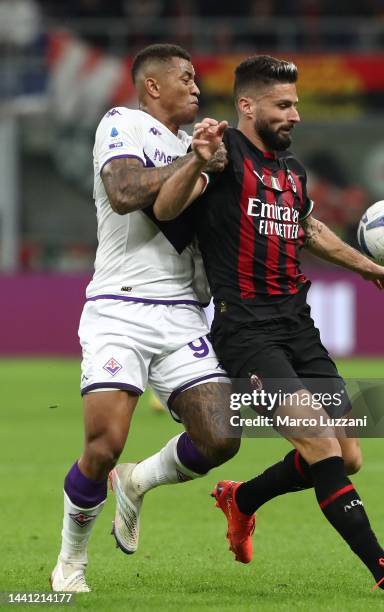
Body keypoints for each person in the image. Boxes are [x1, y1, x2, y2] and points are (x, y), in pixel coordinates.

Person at [152, 55, 384, 598]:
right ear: (247, 105)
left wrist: (370, 266)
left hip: (298, 328)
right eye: (283, 105)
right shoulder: (222, 155)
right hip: (247, 333)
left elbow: (309, 228)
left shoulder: (290, 172)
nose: (296, 115)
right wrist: (196, 160)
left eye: (296, 104)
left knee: (347, 454)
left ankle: (243, 499)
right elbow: (167, 209)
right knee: (320, 446)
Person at [50, 43, 237, 593]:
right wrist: (196, 160)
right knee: (104, 442)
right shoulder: (122, 122)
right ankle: (70, 562)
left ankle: (135, 483)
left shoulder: (194, 148)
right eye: (186, 78)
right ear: (152, 86)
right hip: (120, 306)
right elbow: (125, 191)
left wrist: (208, 163)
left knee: (220, 439)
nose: (197, 88)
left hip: (182, 313)